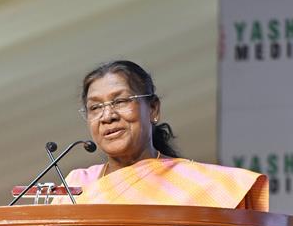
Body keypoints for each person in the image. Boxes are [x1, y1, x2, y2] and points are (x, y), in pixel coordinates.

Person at [60, 59, 268, 210]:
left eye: (120, 101)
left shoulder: (201, 184)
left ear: (153, 109)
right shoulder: (77, 184)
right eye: (95, 107)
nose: (107, 116)